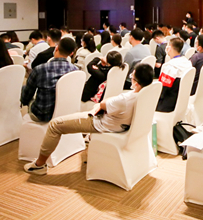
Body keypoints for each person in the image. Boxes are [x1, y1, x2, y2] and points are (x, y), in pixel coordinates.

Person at [24, 64, 155, 175]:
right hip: (120, 124)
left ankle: (39, 165)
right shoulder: (146, 94)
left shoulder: (125, 100)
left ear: (136, 82)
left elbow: (103, 104)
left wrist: (101, 105)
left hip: (101, 123)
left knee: (55, 125)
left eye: (132, 75)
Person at [20, 37, 78, 122]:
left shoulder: (40, 69)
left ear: (56, 48)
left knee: (24, 89)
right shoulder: (75, 70)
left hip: (43, 115)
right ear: (71, 53)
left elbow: (27, 95)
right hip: (66, 113)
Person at [156, 37, 193, 112]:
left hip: (168, 104)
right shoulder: (188, 63)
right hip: (183, 102)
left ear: (169, 48)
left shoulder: (169, 67)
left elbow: (162, 90)